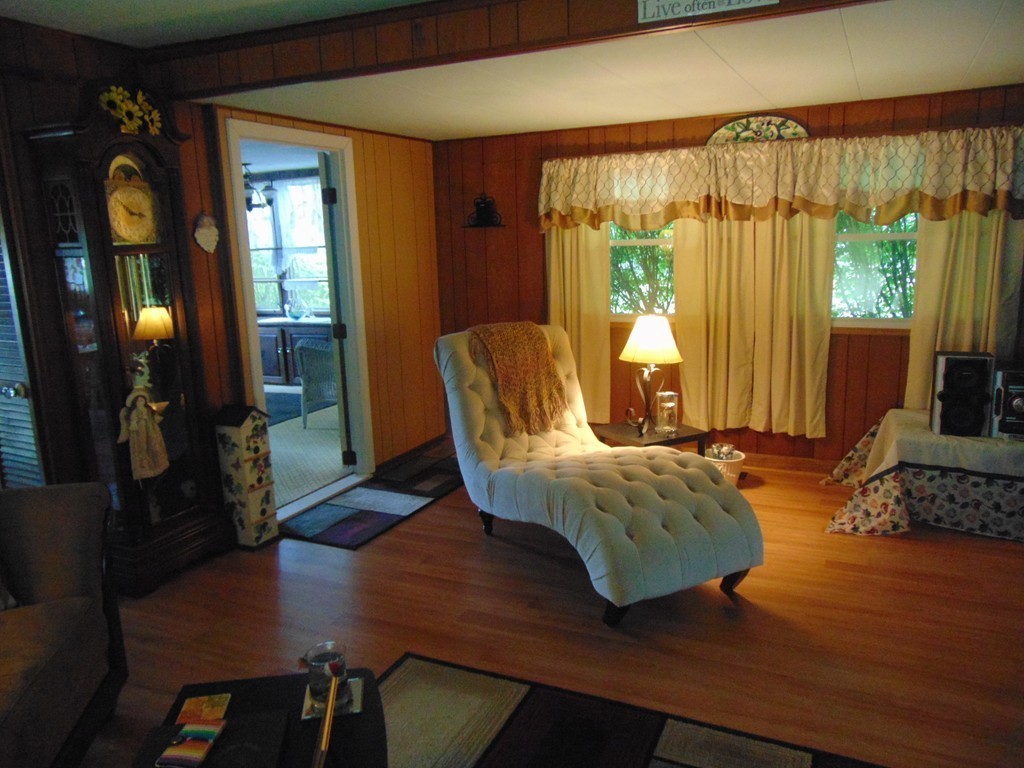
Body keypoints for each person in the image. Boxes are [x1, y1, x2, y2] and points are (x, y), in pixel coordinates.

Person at [117, 386, 169, 480]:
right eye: (138, 401)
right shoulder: (135, 412)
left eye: (142, 400)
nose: (140, 402)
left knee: (153, 444)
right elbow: (133, 419)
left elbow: (154, 417)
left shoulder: (148, 410)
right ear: (135, 402)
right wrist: (134, 423)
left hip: (149, 429)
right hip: (140, 429)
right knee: (142, 445)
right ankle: (144, 462)